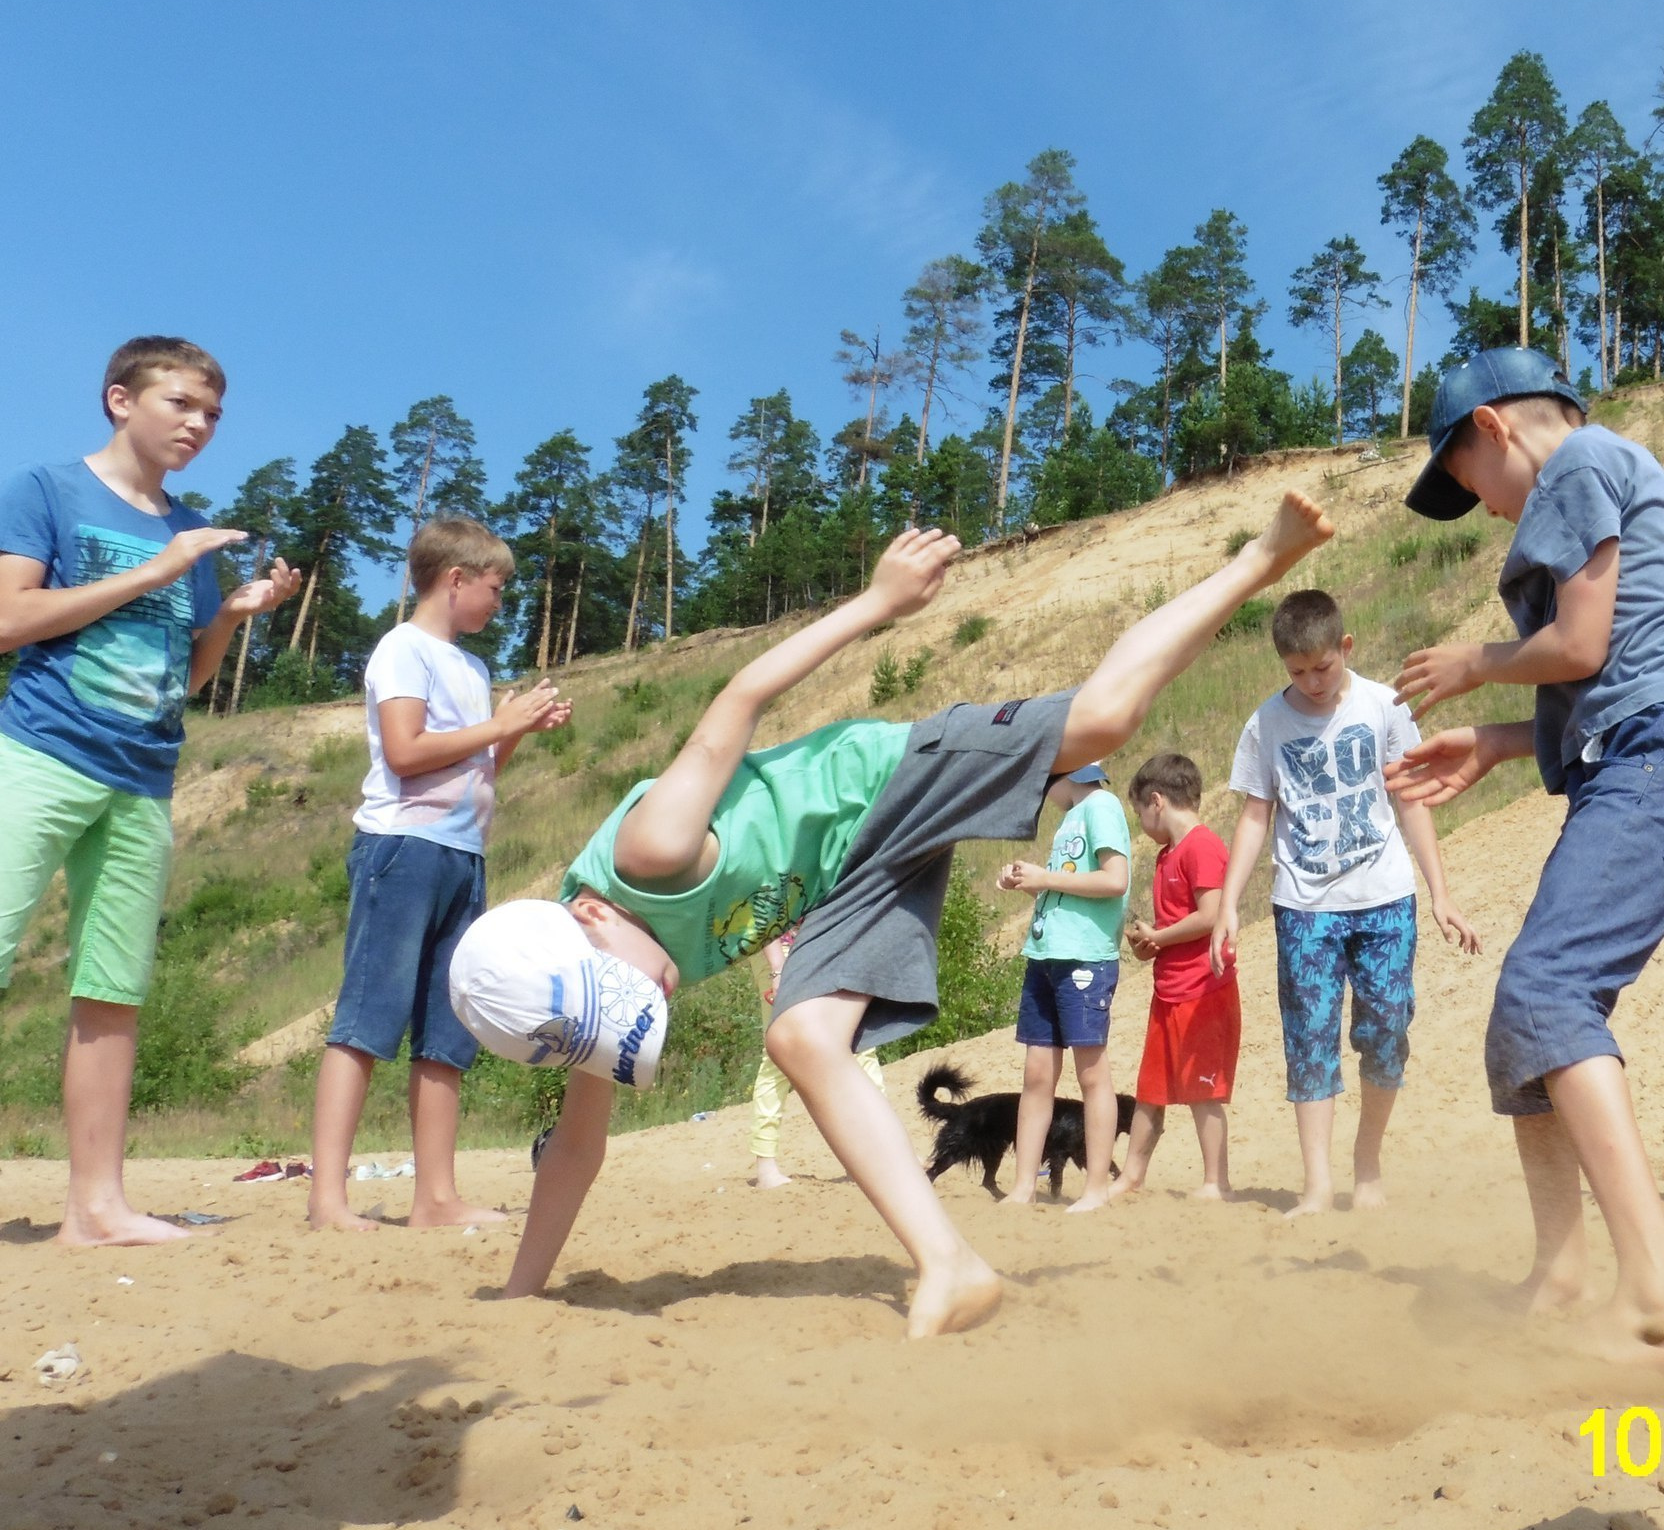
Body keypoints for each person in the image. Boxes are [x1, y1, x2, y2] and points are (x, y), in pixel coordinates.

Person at [446, 492, 1334, 1335]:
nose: (651, 1003)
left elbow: (739, 699)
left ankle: (1260, 557)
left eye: (630, 995)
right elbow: (576, 1148)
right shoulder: (585, 994)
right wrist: (521, 1291)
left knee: (1102, 721)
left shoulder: (649, 851)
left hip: (878, 785)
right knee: (801, 1039)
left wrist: (878, 602)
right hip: (846, 886)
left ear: (591, 917)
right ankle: (950, 1265)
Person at [1385, 347, 1664, 1365]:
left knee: (1549, 989)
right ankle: (1559, 1272)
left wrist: (1475, 664)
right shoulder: (1601, 470)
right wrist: (1499, 744)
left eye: (1469, 481)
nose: (1486, 509)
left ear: (1493, 426)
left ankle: (1658, 1301)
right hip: (1648, 744)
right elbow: (1612, 667)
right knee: (1524, 1010)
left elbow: (1581, 646)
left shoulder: (1580, 461)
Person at [0, 336, 299, 1247]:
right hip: (40, 754)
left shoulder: (191, 531)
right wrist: (157, 570)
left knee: (113, 991)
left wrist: (231, 617)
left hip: (144, 779)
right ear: (120, 400)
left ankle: (96, 1208)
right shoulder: (46, 490)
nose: (200, 425)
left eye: (213, 414)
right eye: (181, 404)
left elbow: (187, 677)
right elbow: (8, 618)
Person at [306, 518, 572, 1233]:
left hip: (463, 854)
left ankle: (435, 1198)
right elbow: (406, 752)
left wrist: (515, 731)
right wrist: (499, 725)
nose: (500, 601)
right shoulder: (403, 648)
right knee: (367, 1019)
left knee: (447, 1028)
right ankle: (327, 1200)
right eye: (495, 587)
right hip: (402, 848)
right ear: (455, 579)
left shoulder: (473, 670)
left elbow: (475, 767)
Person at [1215, 589, 1478, 1215]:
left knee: (1387, 1027)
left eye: (1322, 667)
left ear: (1346, 648)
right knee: (1309, 1038)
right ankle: (1316, 1185)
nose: (1311, 681)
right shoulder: (1265, 725)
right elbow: (1255, 816)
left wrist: (1440, 893)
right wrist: (1228, 904)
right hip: (1303, 905)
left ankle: (1367, 1161)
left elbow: (1410, 799)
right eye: (1297, 671)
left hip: (1386, 897)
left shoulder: (1384, 706)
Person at [994, 760, 1131, 1211]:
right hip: (1046, 955)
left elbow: (1115, 879)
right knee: (1036, 1074)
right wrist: (1029, 884)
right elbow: (1070, 890)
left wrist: (1046, 877)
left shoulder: (1101, 806)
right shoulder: (1072, 818)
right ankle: (1024, 1187)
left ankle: (1096, 1188)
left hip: (1084, 958)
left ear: (1066, 771)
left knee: (1091, 1074)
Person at [1115, 752, 1240, 1201]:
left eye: (1140, 813)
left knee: (1204, 1089)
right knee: (1151, 1091)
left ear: (1157, 801)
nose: (1142, 825)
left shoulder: (1202, 846)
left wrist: (1160, 936)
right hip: (1169, 988)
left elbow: (1211, 915)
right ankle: (1131, 1177)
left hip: (1204, 987)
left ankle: (1216, 1182)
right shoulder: (1167, 855)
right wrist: (1152, 943)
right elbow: (1180, 921)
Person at [747, 927, 886, 1188]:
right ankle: (765, 1165)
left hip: (824, 941)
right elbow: (759, 908)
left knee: (859, 1045)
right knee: (779, 1054)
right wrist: (777, 967)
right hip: (779, 946)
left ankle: (880, 1152)